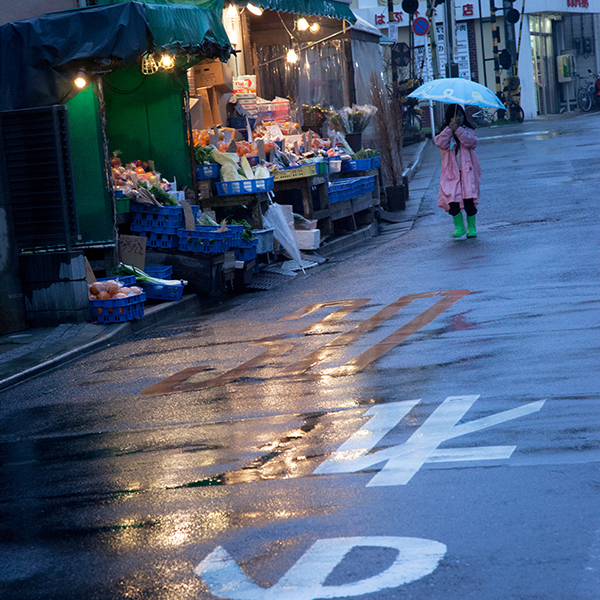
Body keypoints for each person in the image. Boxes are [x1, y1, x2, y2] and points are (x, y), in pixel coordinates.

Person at [434, 104, 481, 238]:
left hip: (467, 173)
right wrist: (450, 130)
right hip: (451, 173)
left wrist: (458, 130)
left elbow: (471, 142)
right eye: (455, 115)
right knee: (452, 200)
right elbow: (440, 143)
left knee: (469, 201)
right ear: (449, 117)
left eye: (460, 115)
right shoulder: (445, 132)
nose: (458, 118)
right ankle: (459, 226)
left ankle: (471, 227)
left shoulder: (468, 130)